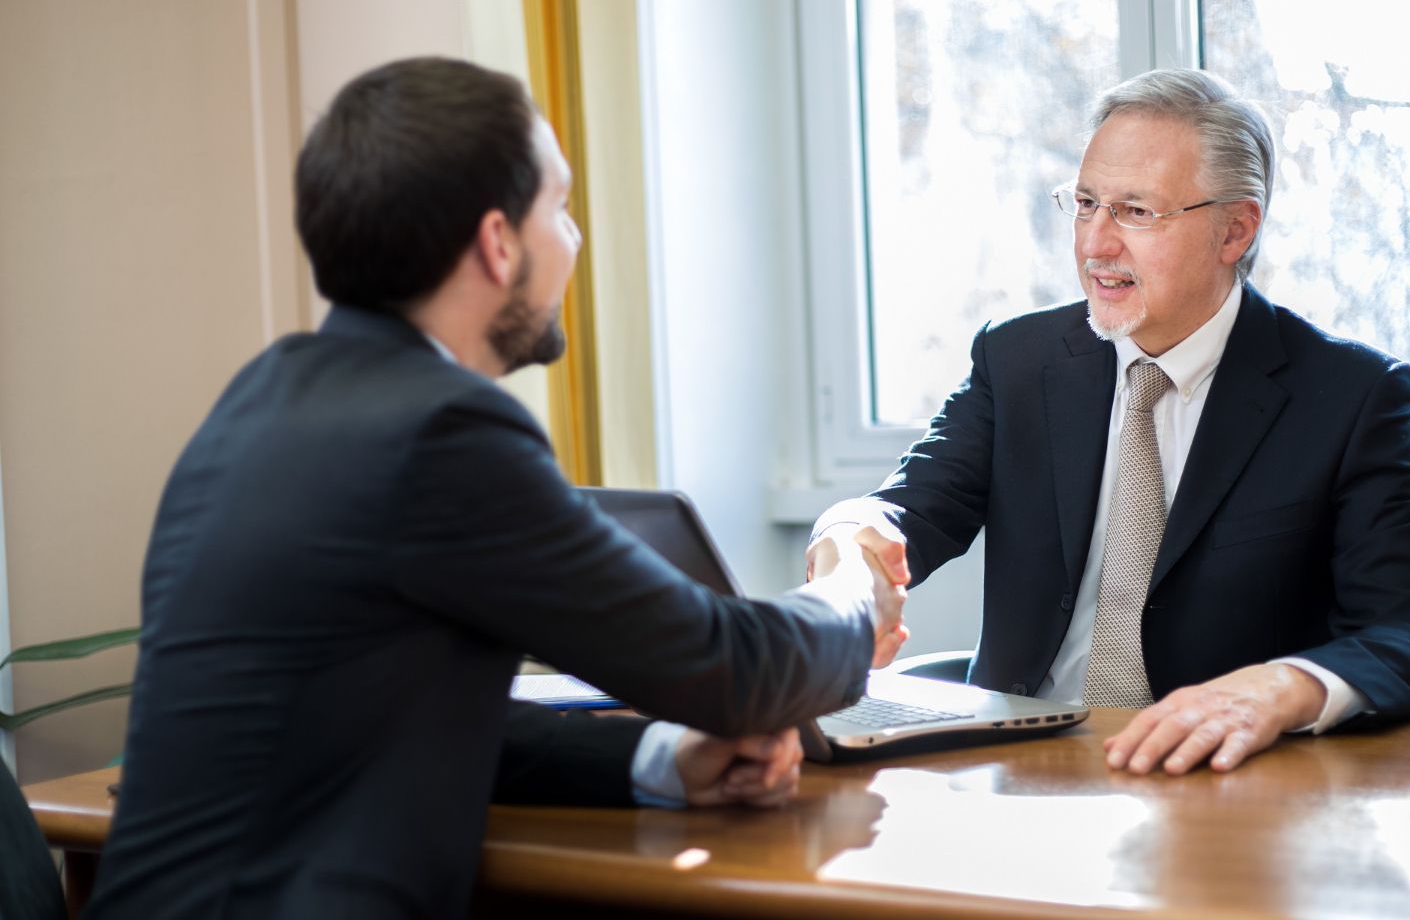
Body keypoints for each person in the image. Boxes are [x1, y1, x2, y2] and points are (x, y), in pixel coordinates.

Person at [84, 57, 905, 920]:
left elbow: (396, 721)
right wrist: (853, 590)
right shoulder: (442, 431)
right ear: (496, 242)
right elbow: (728, 667)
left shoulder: (260, 400)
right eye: (559, 205)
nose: (576, 238)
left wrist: (659, 759)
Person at [812, 68, 1410, 778]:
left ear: (1234, 229)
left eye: (1135, 212)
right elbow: (909, 508)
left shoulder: (1349, 397)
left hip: (1216, 791)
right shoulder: (1019, 360)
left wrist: (1283, 685)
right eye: (1086, 203)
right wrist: (849, 538)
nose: (1095, 244)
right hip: (1019, 779)